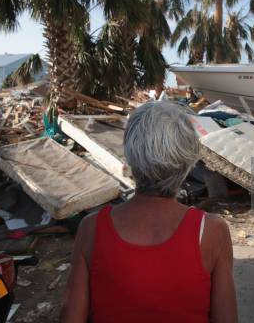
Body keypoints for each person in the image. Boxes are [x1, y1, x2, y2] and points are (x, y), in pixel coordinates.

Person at [61, 101, 238, 323]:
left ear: (129, 155)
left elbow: (71, 316)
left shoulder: (91, 228)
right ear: (189, 159)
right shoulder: (212, 231)